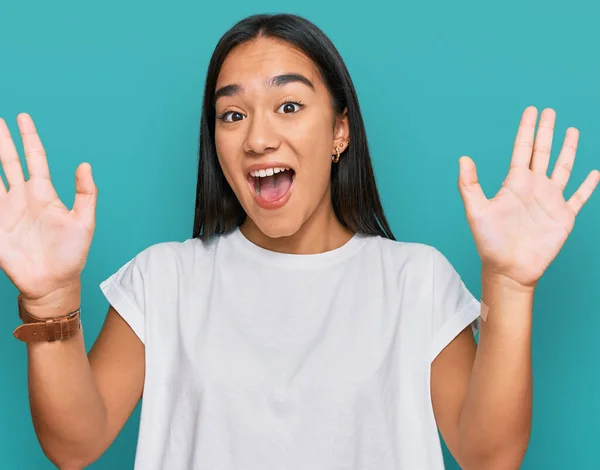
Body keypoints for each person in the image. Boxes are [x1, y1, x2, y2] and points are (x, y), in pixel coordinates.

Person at [2, 12, 598, 470]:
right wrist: (51, 296)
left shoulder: (414, 280)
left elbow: (488, 456)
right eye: (232, 115)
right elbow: (74, 445)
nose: (258, 138)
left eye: (288, 105)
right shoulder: (166, 280)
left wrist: (510, 284)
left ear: (340, 130)